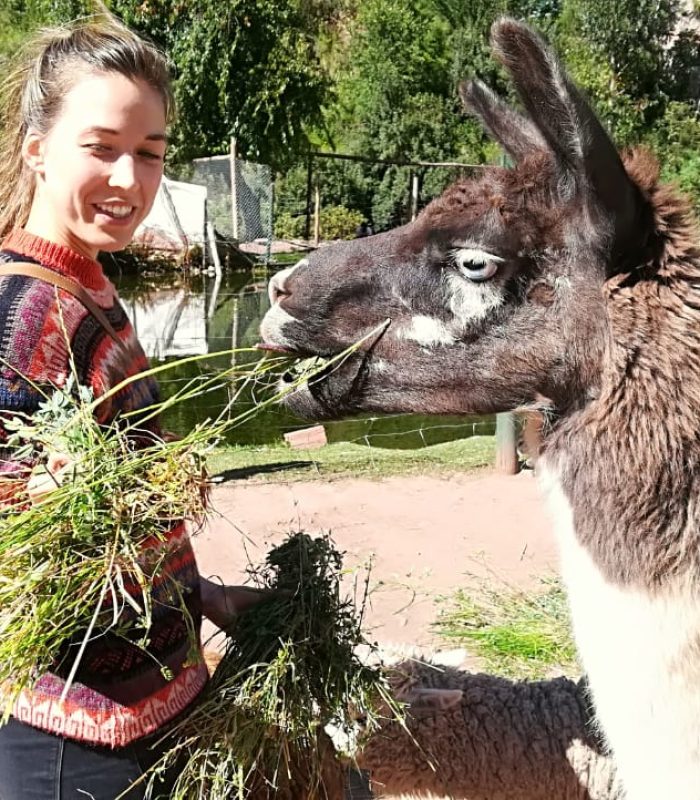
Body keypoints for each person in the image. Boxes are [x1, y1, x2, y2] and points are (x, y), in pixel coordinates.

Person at [0, 15, 262, 799]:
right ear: (37, 150)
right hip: (72, 740)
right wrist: (40, 498)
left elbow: (125, 511)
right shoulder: (24, 313)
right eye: (102, 147)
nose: (128, 179)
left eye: (149, 153)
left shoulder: (88, 289)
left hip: (151, 708)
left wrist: (200, 597)